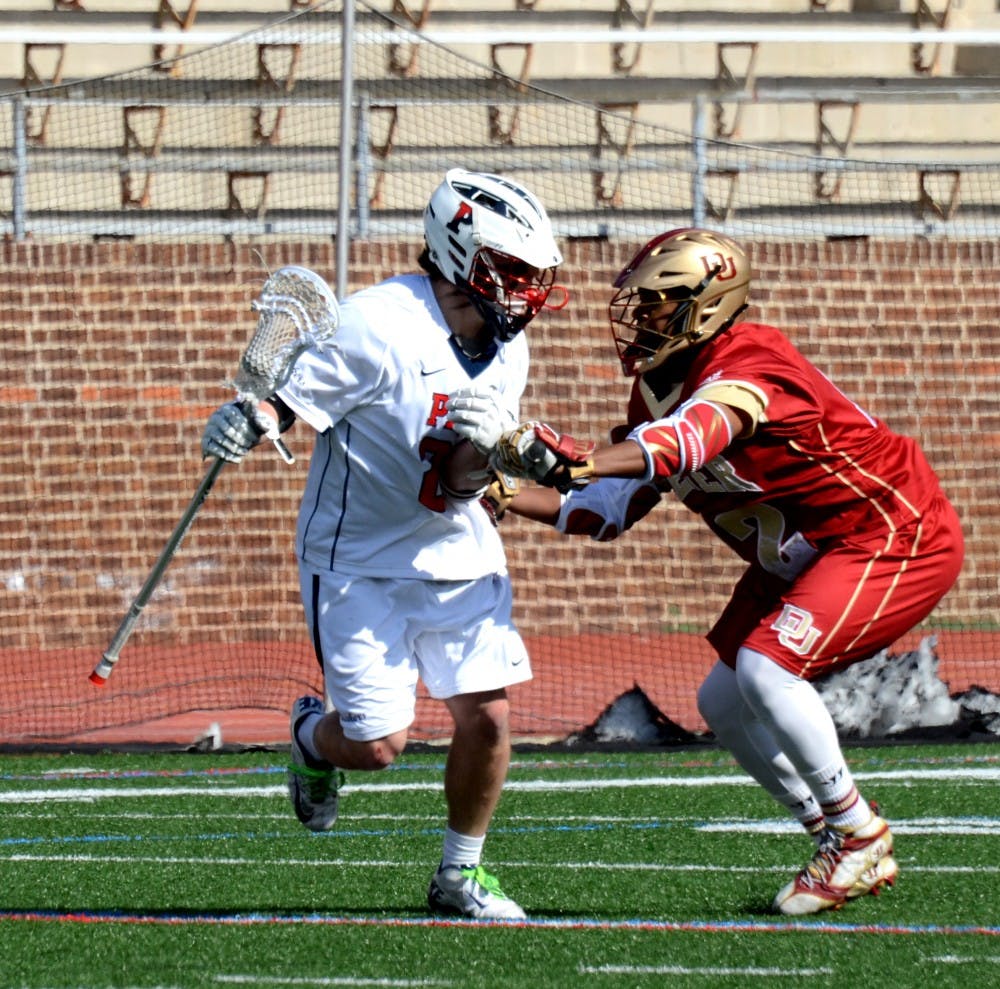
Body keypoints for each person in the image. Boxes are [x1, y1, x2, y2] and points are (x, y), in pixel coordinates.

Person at [454, 227, 964, 916]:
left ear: (706, 305)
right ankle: (833, 836)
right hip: (808, 550)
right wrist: (510, 491)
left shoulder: (750, 359)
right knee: (722, 701)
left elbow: (690, 438)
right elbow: (606, 510)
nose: (640, 319)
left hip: (887, 528)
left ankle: (857, 833)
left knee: (765, 667)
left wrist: (573, 454)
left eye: (658, 305)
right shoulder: (658, 392)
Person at [200, 168, 566, 920]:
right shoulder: (374, 322)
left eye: (536, 276)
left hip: (456, 550)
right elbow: (290, 401)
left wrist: (496, 453)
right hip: (357, 560)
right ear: (463, 255)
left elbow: (458, 483)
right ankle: (310, 738)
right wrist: (253, 415)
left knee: (490, 716)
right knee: (376, 745)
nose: (528, 291)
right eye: (515, 272)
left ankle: (459, 875)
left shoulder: (507, 350)